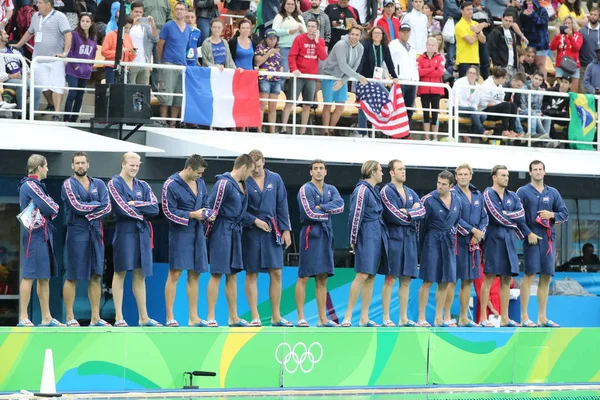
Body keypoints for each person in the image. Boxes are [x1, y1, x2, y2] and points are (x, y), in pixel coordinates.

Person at [108, 152, 161, 327]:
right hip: (124, 232)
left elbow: (155, 208)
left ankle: (143, 317)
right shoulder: (114, 183)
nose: (135, 168)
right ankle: (118, 317)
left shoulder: (143, 185)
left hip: (142, 234)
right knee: (120, 272)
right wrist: (141, 214)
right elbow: (121, 208)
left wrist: (136, 204)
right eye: (131, 165)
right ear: (123, 164)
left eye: (137, 165)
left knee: (140, 274)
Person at [162, 154, 216, 327]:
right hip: (180, 233)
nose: (200, 176)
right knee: (175, 274)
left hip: (197, 233)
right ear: (189, 168)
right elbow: (168, 212)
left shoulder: (200, 183)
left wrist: (208, 214)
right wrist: (192, 214)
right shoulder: (171, 184)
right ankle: (170, 316)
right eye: (198, 173)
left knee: (195, 274)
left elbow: (206, 203)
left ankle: (193, 317)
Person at [242, 150, 293, 327]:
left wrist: (286, 230)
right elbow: (239, 209)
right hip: (251, 231)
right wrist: (253, 221)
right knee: (252, 273)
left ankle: (276, 316)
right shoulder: (244, 180)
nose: (256, 170)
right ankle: (255, 316)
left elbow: (282, 204)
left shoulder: (275, 178)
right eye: (253, 167)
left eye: (258, 165)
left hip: (273, 230)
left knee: (277, 272)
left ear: (264, 162)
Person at [61, 152, 112, 327]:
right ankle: (69, 317)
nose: (80, 166)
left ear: (88, 164)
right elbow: (76, 207)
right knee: (72, 276)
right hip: (77, 233)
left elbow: (107, 207)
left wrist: (90, 212)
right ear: (72, 166)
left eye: (83, 162)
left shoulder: (98, 183)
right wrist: (95, 206)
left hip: (96, 233)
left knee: (96, 275)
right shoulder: (68, 184)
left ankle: (95, 318)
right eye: (77, 163)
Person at [517, 160, 568, 328]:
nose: (538, 172)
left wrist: (551, 214)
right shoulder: (523, 192)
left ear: (544, 172)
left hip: (548, 238)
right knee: (530, 275)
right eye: (535, 170)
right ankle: (524, 316)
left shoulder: (552, 192)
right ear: (530, 173)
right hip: (531, 237)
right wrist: (528, 233)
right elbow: (518, 216)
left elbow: (564, 213)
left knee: (546, 276)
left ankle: (542, 317)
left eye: (540, 169)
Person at [205, 154, 255, 327]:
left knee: (232, 275)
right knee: (217, 273)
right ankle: (211, 316)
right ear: (243, 167)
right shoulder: (223, 183)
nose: (250, 175)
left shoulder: (244, 185)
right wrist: (208, 234)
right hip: (221, 231)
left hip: (235, 232)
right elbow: (211, 210)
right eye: (250, 171)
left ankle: (233, 317)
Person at [296, 159, 344, 327]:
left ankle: (323, 319)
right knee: (304, 277)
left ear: (325, 171)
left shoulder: (331, 189)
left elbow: (340, 206)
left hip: (326, 235)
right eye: (315, 168)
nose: (318, 171)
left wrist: (321, 207)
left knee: (323, 278)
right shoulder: (305, 189)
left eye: (321, 168)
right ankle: (301, 317)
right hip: (310, 235)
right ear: (310, 172)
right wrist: (326, 212)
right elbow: (309, 213)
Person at [16, 154, 63, 327]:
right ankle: (23, 317)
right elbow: (51, 206)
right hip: (34, 237)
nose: (48, 169)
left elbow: (48, 206)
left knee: (44, 277)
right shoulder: (30, 184)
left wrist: (50, 207)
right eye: (47, 166)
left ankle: (46, 317)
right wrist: (52, 207)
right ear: (40, 168)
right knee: (29, 276)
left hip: (43, 235)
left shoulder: (37, 185)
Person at [481, 165, 528, 327]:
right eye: (502, 175)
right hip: (493, 239)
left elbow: (521, 215)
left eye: (507, 175)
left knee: (507, 278)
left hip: (509, 240)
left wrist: (509, 217)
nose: (506, 178)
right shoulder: (488, 193)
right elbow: (495, 216)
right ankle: (482, 318)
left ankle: (505, 317)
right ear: (494, 177)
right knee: (489, 277)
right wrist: (512, 222)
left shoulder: (513, 196)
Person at [342, 160, 388, 327]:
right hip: (366, 235)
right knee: (361, 275)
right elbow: (355, 216)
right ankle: (347, 316)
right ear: (372, 172)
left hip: (376, 235)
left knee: (370, 277)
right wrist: (353, 239)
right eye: (381, 170)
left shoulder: (375, 190)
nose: (383, 173)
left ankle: (364, 318)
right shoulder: (361, 190)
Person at [380, 159, 424, 327]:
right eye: (400, 169)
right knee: (390, 278)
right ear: (391, 172)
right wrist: (412, 214)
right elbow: (394, 215)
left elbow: (422, 211)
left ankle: (403, 318)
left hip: (410, 239)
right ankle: (386, 317)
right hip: (394, 239)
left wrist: (409, 212)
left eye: (404, 169)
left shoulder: (411, 192)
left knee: (406, 279)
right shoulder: (386, 191)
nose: (403, 172)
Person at [443, 164, 488, 327]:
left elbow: (485, 217)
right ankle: (447, 316)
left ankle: (463, 317)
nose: (463, 176)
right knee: (452, 280)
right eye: (460, 174)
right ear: (455, 177)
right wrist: (473, 231)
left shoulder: (478, 194)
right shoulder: (452, 194)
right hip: (457, 241)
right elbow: (454, 218)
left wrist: (479, 234)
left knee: (468, 280)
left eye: (466, 174)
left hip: (474, 243)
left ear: (471, 176)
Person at [13, 0, 73, 120]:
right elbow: (30, 32)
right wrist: (18, 45)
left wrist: (65, 53)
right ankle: (51, 104)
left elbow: (68, 34)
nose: (37, 5)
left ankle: (57, 113)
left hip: (55, 58)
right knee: (41, 87)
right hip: (38, 58)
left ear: (48, 4)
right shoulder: (36, 16)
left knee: (57, 86)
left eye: (40, 3)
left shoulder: (60, 17)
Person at [417, 170, 462, 327]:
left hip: (448, 242)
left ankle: (439, 317)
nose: (440, 186)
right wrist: (422, 248)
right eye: (438, 183)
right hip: (431, 241)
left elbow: (456, 222)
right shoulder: (428, 200)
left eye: (444, 184)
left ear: (451, 185)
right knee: (428, 280)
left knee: (445, 282)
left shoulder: (457, 200)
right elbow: (420, 227)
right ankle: (421, 318)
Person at [281, 18, 327, 135]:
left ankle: (302, 131)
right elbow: (292, 56)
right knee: (290, 101)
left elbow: (323, 57)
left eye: (313, 26)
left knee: (307, 105)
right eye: (309, 26)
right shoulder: (299, 38)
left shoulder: (320, 41)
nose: (311, 28)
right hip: (299, 75)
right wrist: (294, 69)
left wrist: (316, 42)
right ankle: (283, 128)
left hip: (311, 77)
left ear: (317, 28)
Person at [321, 24, 366, 136]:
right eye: (353, 34)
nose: (354, 37)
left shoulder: (360, 48)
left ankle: (331, 129)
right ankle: (325, 131)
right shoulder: (341, 44)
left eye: (357, 35)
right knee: (328, 104)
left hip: (343, 78)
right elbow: (343, 65)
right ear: (349, 34)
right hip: (330, 75)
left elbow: (355, 66)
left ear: (360, 36)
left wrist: (343, 80)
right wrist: (359, 77)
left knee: (340, 106)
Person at [355, 26, 398, 136]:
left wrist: (394, 76)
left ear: (383, 35)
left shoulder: (384, 47)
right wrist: (358, 77)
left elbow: (389, 62)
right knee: (363, 105)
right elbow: (361, 61)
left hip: (377, 79)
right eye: (375, 33)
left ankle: (386, 130)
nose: (377, 35)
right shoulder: (366, 45)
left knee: (388, 98)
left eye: (379, 33)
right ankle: (362, 132)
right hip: (365, 79)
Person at [158, 2, 190, 127]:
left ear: (186, 11)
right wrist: (162, 62)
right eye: (177, 9)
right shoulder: (168, 26)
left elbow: (186, 48)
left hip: (182, 65)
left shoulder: (188, 28)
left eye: (182, 9)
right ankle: (162, 121)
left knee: (178, 96)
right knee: (166, 94)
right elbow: (160, 45)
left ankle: (172, 123)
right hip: (169, 63)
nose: (179, 11)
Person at [64, 13, 97, 123]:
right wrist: (76, 66)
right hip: (73, 70)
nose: (85, 23)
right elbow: (70, 51)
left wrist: (90, 66)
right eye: (83, 21)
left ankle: (74, 119)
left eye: (87, 21)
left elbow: (93, 53)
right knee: (72, 94)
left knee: (80, 97)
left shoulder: (93, 37)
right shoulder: (75, 34)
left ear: (91, 23)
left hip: (86, 71)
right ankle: (66, 118)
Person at [453, 65, 493, 140]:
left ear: (477, 76)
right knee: (472, 110)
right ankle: (483, 132)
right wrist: (471, 109)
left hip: (470, 110)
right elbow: (458, 99)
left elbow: (475, 102)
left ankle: (469, 136)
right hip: (455, 107)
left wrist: (473, 110)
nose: (471, 75)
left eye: (473, 73)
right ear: (467, 73)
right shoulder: (459, 82)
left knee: (483, 115)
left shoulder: (478, 87)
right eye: (470, 72)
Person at [255, 29, 283, 134]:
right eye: (270, 39)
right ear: (266, 39)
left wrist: (281, 68)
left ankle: (272, 131)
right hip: (264, 79)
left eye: (274, 39)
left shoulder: (278, 50)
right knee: (262, 105)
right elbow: (258, 62)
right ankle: (259, 130)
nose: (272, 41)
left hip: (275, 79)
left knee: (273, 106)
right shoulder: (260, 48)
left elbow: (277, 63)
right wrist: (268, 53)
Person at [479, 66, 520, 138]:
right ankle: (505, 130)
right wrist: (496, 104)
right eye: (505, 78)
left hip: (496, 108)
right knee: (506, 105)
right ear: (501, 78)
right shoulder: (487, 84)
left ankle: (511, 130)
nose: (505, 81)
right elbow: (482, 103)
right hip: (486, 110)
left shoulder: (499, 86)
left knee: (513, 105)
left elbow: (501, 99)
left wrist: (499, 104)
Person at [417, 36, 445, 141]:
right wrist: (433, 68)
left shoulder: (440, 58)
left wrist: (426, 70)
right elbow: (419, 72)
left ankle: (435, 137)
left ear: (437, 46)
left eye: (433, 45)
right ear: (426, 45)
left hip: (436, 89)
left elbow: (440, 73)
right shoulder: (420, 58)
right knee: (425, 113)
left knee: (434, 113)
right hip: (424, 89)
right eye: (429, 45)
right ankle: (426, 136)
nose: (431, 47)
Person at [389, 23, 418, 121]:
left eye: (407, 32)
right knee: (397, 108)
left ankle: (406, 133)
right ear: (399, 32)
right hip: (400, 80)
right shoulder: (393, 45)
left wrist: (416, 80)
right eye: (403, 32)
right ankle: (395, 134)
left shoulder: (412, 47)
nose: (405, 34)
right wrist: (391, 77)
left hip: (412, 81)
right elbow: (388, 63)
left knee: (409, 109)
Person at [0, 28, 32, 112]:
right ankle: (22, 113)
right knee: (20, 85)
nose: (8, 36)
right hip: (7, 79)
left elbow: (24, 64)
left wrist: (27, 73)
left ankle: (33, 113)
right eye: (5, 34)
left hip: (21, 76)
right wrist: (10, 76)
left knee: (34, 85)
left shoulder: (14, 50)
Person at [273, 0, 307, 74]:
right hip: (285, 48)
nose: (290, 6)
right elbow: (274, 31)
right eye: (288, 4)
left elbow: (306, 32)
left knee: (297, 72)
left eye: (292, 4)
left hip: (299, 49)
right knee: (284, 72)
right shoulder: (279, 16)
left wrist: (301, 30)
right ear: (284, 5)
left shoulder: (299, 17)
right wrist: (288, 31)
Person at [549, 16, 583, 92]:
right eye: (565, 23)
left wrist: (570, 36)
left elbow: (577, 48)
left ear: (573, 24)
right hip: (561, 65)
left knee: (573, 92)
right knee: (560, 90)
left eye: (569, 23)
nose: (567, 25)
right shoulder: (560, 35)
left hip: (573, 65)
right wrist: (557, 35)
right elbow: (552, 47)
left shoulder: (578, 35)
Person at [454, 1, 487, 77]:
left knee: (474, 84)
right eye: (468, 9)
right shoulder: (459, 25)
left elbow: (483, 40)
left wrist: (478, 31)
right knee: (465, 84)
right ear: (462, 11)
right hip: (463, 60)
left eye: (471, 9)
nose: (470, 11)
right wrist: (477, 31)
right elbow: (470, 41)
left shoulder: (475, 23)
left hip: (475, 59)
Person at [128, 2, 158, 84]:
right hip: (130, 63)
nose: (138, 14)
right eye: (136, 12)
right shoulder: (127, 23)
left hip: (144, 62)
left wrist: (152, 24)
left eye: (140, 12)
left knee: (143, 91)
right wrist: (133, 23)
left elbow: (155, 39)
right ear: (131, 12)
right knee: (130, 89)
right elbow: (122, 36)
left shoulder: (146, 26)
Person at [102, 16, 136, 84]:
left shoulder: (128, 37)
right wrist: (119, 52)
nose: (127, 30)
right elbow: (104, 52)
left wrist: (133, 52)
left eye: (129, 28)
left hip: (125, 68)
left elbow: (131, 57)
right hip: (111, 67)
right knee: (112, 88)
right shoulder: (110, 35)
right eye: (126, 28)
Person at [520, 0, 549, 77]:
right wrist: (523, 15)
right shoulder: (524, 11)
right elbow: (521, 25)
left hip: (541, 43)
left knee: (540, 65)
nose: (528, 3)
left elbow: (542, 23)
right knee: (527, 65)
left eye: (530, 2)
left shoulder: (542, 10)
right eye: (527, 2)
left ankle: (543, 85)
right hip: (529, 43)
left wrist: (532, 14)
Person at [487, 12, 521, 79]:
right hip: (501, 66)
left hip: (512, 66)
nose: (508, 22)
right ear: (502, 19)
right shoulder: (496, 31)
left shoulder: (512, 33)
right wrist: (498, 64)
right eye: (506, 20)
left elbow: (513, 50)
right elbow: (491, 48)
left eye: (510, 21)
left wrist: (516, 65)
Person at [578, 7, 599, 93]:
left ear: (599, 17)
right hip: (583, 67)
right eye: (591, 14)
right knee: (583, 95)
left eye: (595, 15)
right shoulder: (582, 31)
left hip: (597, 68)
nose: (593, 16)